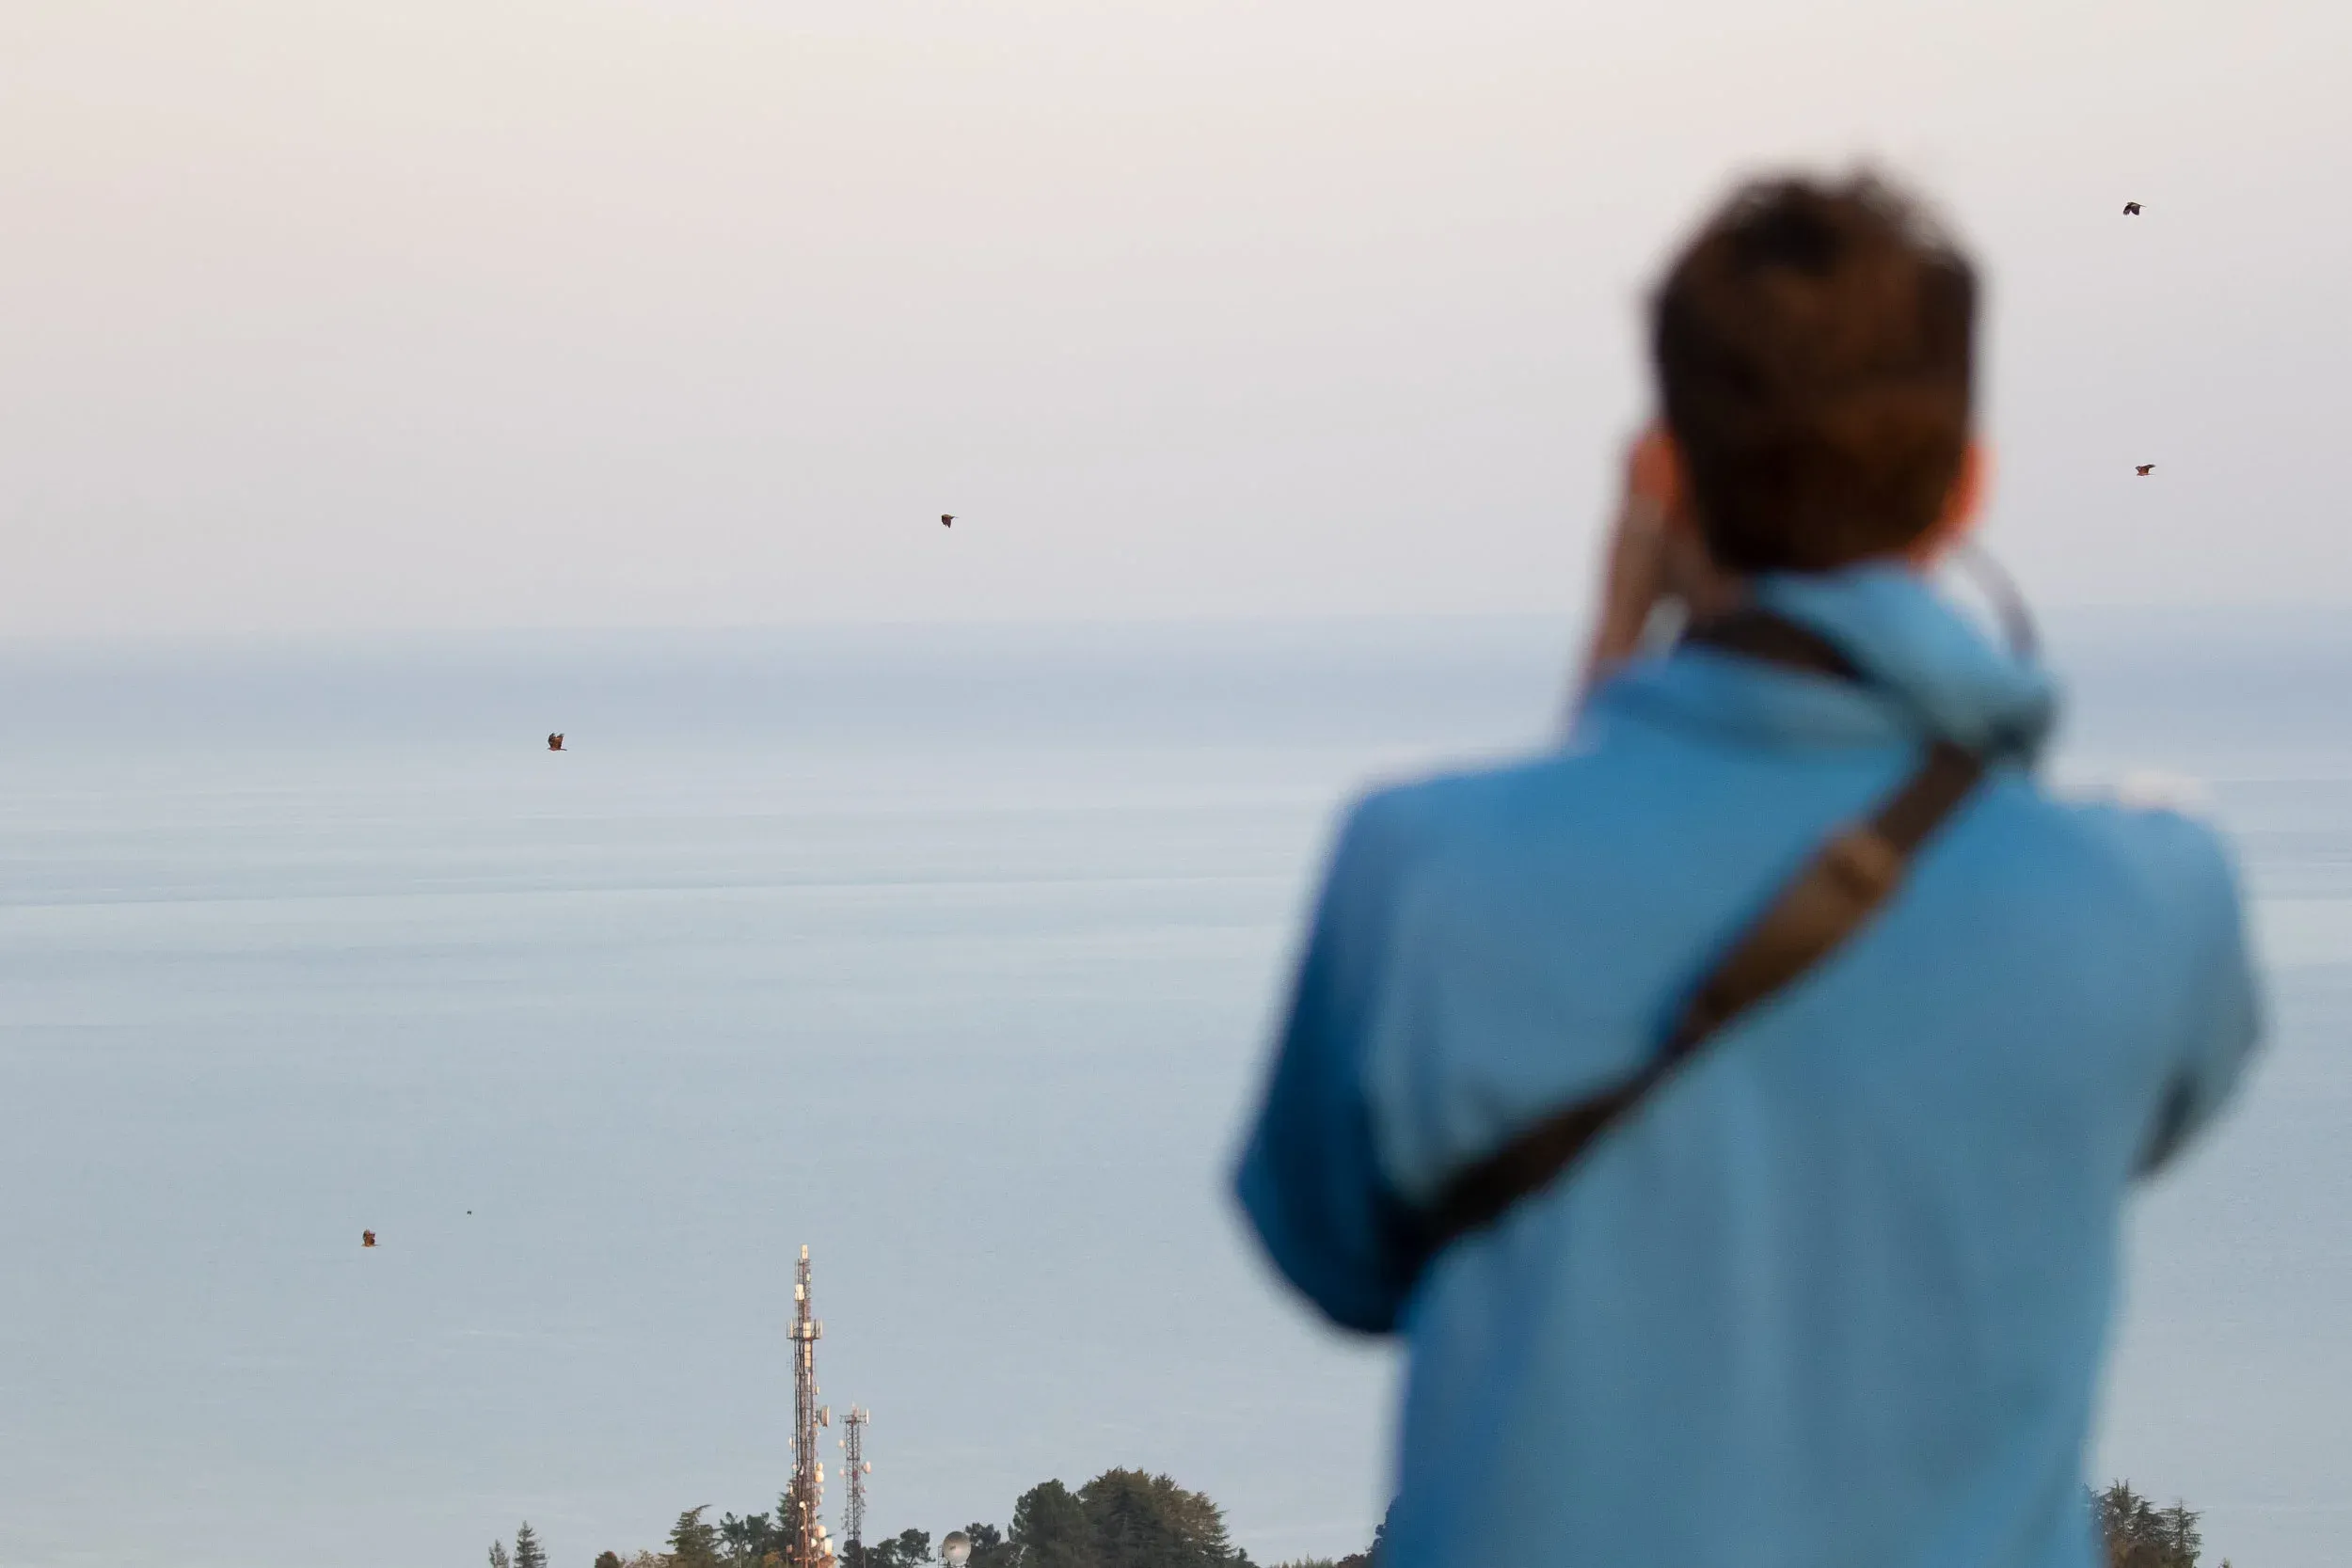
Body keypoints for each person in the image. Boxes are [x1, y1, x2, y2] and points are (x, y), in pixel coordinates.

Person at [1233, 174, 2260, 1568]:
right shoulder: (2159, 904)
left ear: (1662, 475)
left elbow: (1340, 1258)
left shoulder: (1414, 871)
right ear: (1969, 482)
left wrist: (1608, 666)